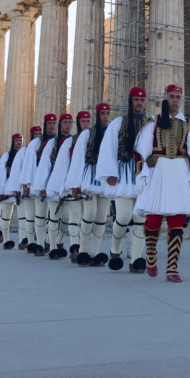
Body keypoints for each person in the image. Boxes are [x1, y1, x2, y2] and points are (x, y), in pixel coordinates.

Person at [133, 84, 190, 282]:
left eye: (177, 97)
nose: (175, 100)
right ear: (165, 98)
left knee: (177, 221)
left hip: (179, 173)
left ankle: (172, 267)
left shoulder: (188, 126)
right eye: (171, 96)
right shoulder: (153, 123)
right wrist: (143, 174)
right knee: (153, 219)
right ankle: (150, 255)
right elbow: (142, 150)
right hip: (158, 172)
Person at [97, 87, 151, 272]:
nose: (139, 103)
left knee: (140, 219)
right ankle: (115, 249)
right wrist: (110, 172)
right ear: (131, 101)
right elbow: (108, 148)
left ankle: (136, 260)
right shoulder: (117, 123)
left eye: (142, 100)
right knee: (123, 216)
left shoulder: (150, 125)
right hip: (124, 175)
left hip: (143, 176)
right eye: (136, 99)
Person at [66, 103, 111, 266]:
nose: (105, 117)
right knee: (89, 214)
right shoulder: (87, 135)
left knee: (101, 218)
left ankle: (95, 252)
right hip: (89, 178)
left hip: (105, 180)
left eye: (107, 113)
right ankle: (83, 250)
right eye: (102, 114)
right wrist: (74, 184)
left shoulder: (112, 134)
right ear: (97, 115)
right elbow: (77, 160)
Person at [35, 112, 75, 260]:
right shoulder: (53, 143)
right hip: (53, 184)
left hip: (68, 186)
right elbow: (45, 165)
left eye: (70, 122)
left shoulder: (74, 141)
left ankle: (58, 241)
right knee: (53, 216)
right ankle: (52, 247)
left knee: (65, 218)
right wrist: (42, 186)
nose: (68, 125)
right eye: (65, 122)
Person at [0, 134, 23, 249]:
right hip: (8, 189)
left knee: (23, 217)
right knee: (6, 217)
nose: (19, 142)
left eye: (20, 140)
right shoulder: (6, 156)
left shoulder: (25, 154)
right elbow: (0, 174)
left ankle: (23, 240)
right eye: (17, 140)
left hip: (21, 190)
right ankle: (6, 239)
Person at [18, 123, 47, 253]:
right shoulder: (26, 149)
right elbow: (24, 168)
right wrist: (25, 184)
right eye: (35, 134)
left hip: (42, 185)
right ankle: (30, 242)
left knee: (42, 215)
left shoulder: (46, 146)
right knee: (30, 215)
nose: (38, 137)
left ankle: (42, 240)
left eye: (39, 134)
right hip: (30, 185)